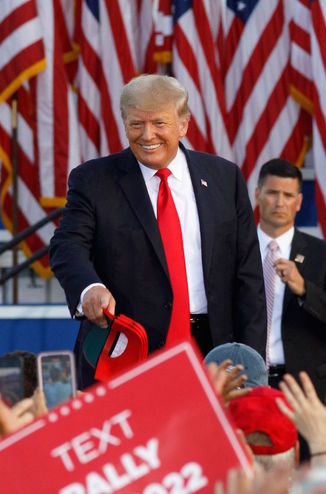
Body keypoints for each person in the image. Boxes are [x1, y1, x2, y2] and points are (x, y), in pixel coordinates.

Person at [49, 74, 266, 388]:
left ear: (183, 124)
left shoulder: (224, 178)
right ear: (124, 124)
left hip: (214, 356)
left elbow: (249, 280)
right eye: (136, 124)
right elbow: (67, 245)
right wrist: (88, 288)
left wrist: (253, 366)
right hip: (127, 355)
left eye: (159, 124)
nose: (147, 135)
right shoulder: (94, 181)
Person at [253, 159, 326, 434]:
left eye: (288, 196)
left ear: (299, 202)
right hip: (251, 385)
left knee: (309, 475)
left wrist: (304, 289)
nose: (279, 202)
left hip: (306, 389)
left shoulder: (324, 255)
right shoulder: (236, 251)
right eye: (272, 193)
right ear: (257, 195)